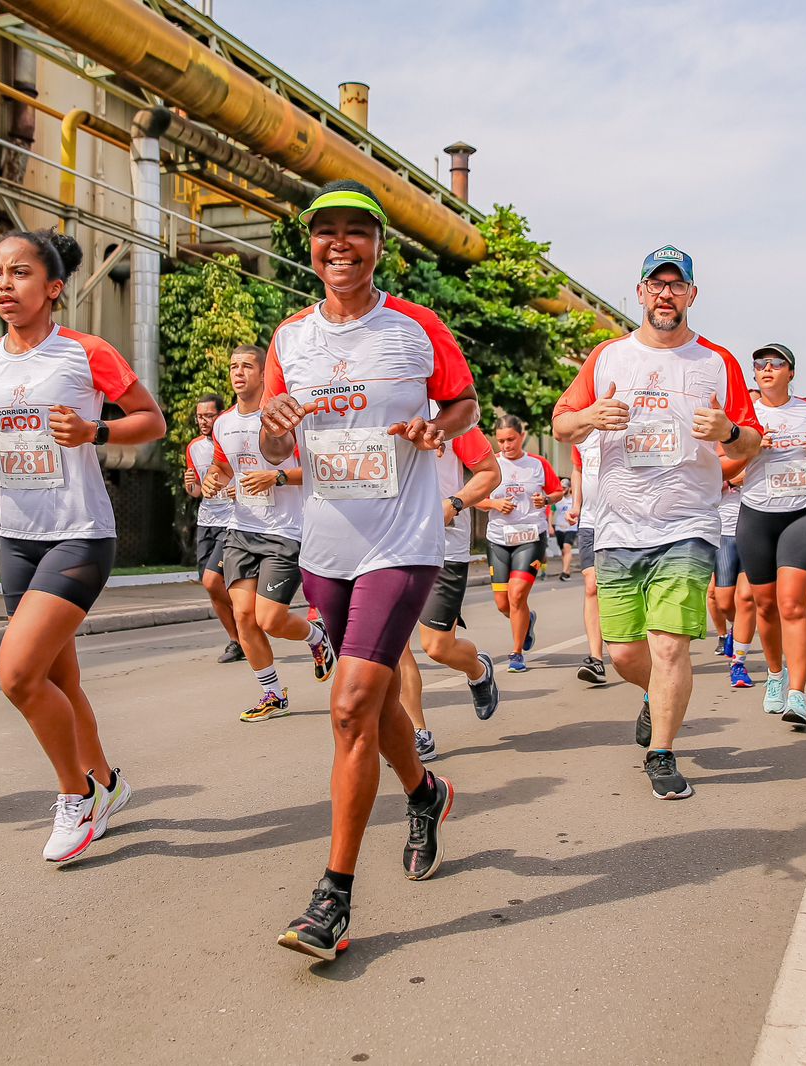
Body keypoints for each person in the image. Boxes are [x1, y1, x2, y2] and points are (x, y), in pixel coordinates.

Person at [258, 180, 479, 960]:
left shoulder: (417, 328)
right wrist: (275, 428)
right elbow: (275, 448)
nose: (341, 244)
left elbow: (466, 406)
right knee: (374, 702)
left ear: (382, 246)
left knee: (350, 704)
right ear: (310, 246)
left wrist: (433, 425)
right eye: (327, 233)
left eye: (359, 231)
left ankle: (332, 899)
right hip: (326, 547)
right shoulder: (289, 339)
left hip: (403, 538)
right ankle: (425, 793)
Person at [0, 229, 166, 862]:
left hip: (81, 532)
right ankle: (109, 785)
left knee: (18, 673)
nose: (5, 284)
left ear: (53, 289)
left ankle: (75, 797)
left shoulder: (84, 353)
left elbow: (152, 420)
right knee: (62, 679)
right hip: (19, 538)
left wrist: (96, 429)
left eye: (21, 273)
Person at [552, 244, 762, 799]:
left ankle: (662, 751)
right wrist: (591, 416)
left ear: (692, 294)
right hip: (619, 524)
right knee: (624, 653)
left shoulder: (717, 362)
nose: (665, 293)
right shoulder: (607, 358)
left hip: (688, 521)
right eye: (656, 283)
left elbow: (752, 438)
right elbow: (562, 424)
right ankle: (656, 695)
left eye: (677, 284)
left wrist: (728, 433)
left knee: (669, 645)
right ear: (641, 292)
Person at [201, 346, 337, 722]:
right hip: (242, 528)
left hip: (285, 531)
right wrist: (214, 479)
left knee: (271, 619)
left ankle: (316, 636)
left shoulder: (284, 419)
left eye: (246, 366)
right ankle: (273, 694)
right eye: (233, 366)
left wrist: (275, 476)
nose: (238, 372)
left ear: (264, 375)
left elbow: (318, 470)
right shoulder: (223, 423)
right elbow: (221, 466)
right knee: (243, 617)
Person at [730, 344, 806, 726]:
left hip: (803, 515)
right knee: (764, 605)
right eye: (760, 364)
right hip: (757, 515)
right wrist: (753, 448)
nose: (767, 369)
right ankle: (774, 676)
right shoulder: (746, 415)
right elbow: (724, 467)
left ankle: (798, 693)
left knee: (792, 604)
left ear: (791, 372)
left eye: (776, 363)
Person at [396, 411, 503, 762]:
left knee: (438, 647)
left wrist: (454, 503)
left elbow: (490, 473)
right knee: (395, 645)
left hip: (445, 545)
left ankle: (478, 669)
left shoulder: (451, 415)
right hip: (389, 543)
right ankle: (417, 731)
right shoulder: (373, 407)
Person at [479, 415, 564, 672]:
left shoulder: (537, 464)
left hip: (530, 537)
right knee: (503, 603)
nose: (506, 445)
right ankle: (527, 620)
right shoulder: (490, 464)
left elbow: (558, 491)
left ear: (522, 436)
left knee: (517, 596)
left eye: (511, 439)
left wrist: (546, 500)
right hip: (499, 538)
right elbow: (474, 498)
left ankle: (516, 653)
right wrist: (493, 503)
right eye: (501, 440)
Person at [184, 392, 245, 664]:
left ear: (220, 415)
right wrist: (190, 486)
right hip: (206, 520)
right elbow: (197, 491)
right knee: (210, 586)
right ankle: (237, 640)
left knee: (213, 581)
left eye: (209, 415)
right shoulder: (194, 447)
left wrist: (238, 490)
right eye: (200, 416)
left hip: (231, 521)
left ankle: (247, 626)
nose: (203, 421)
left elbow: (251, 474)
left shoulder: (233, 440)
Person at [710, 472, 756, 688]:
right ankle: (734, 631)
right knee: (725, 602)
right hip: (723, 533)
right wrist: (729, 480)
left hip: (754, 528)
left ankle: (738, 663)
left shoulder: (758, 449)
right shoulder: (713, 450)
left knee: (746, 597)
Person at [569, 434, 608, 685]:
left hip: (622, 519)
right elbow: (577, 469)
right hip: (590, 521)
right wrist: (576, 504)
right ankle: (597, 659)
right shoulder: (580, 432)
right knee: (591, 584)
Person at [551, 477, 577, 580]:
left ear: (569, 488)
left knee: (567, 547)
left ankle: (564, 572)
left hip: (571, 528)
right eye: (561, 487)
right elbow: (551, 513)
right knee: (563, 550)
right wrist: (550, 526)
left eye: (565, 487)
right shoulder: (558, 500)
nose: (563, 489)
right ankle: (567, 570)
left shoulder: (574, 500)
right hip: (559, 528)